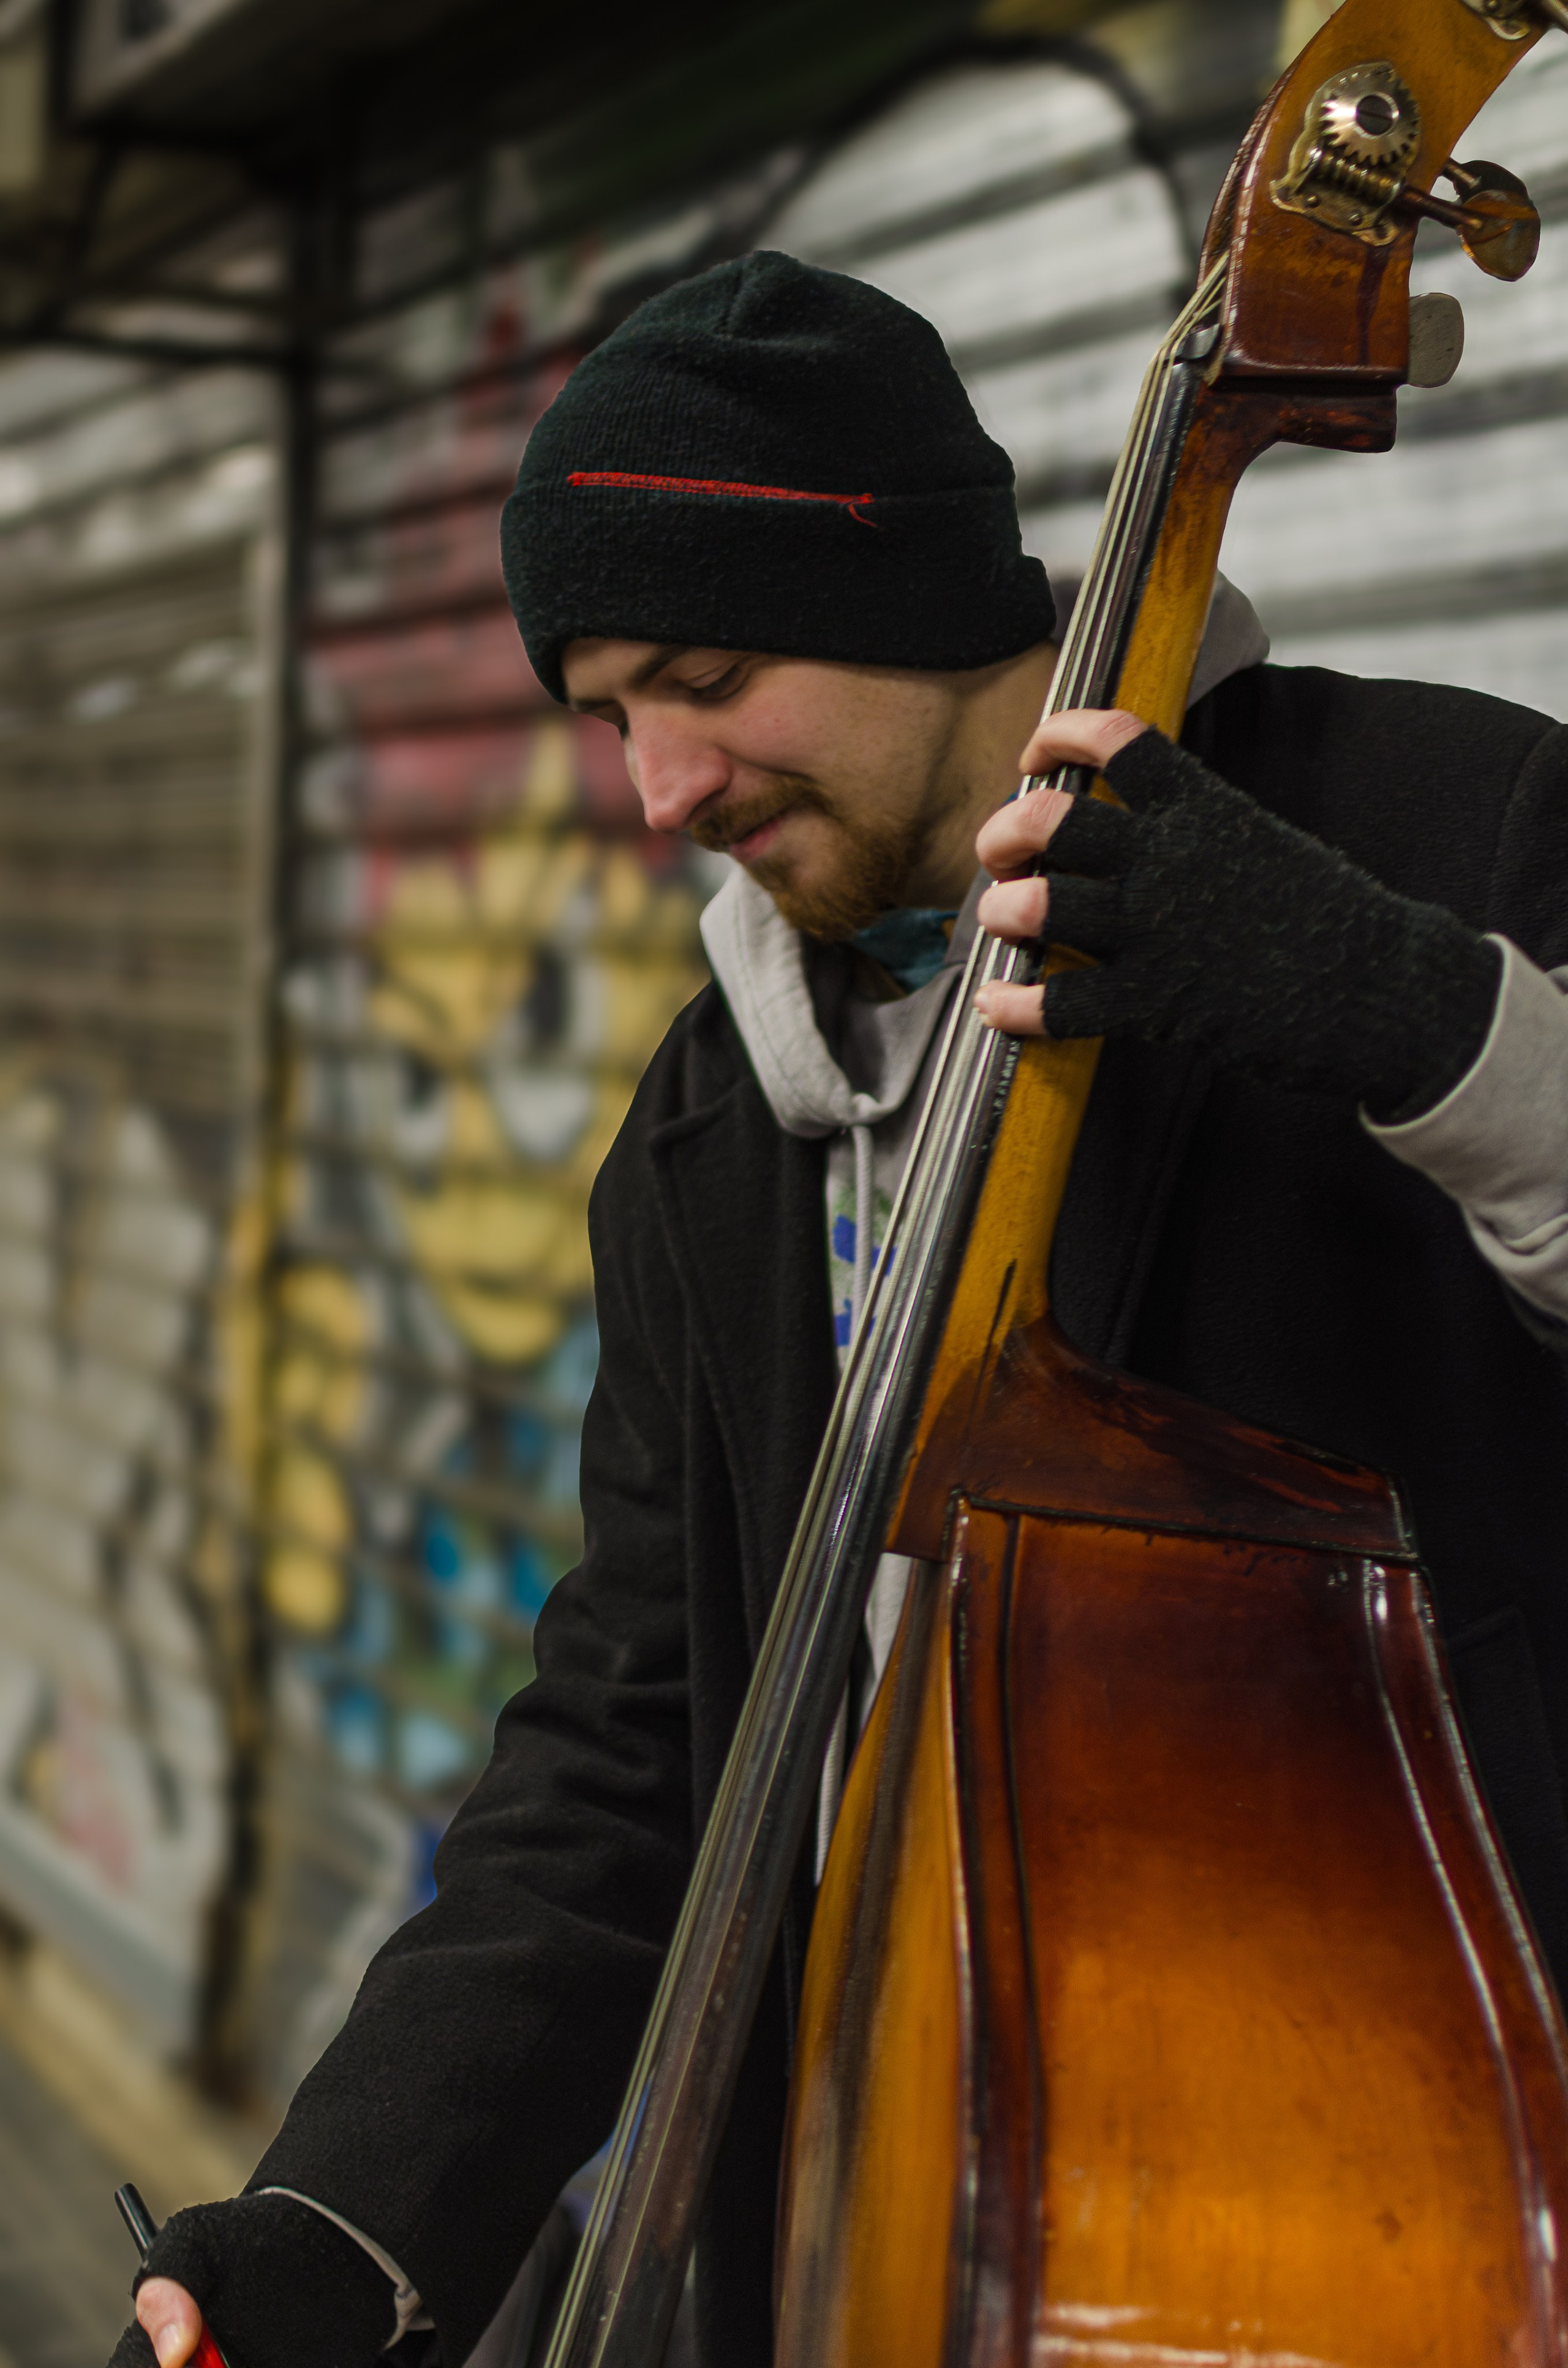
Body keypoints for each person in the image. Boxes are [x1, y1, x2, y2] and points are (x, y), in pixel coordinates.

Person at [115, 251, 1568, 2368]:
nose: (659, 788)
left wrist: (1409, 1007)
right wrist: (353, 2217)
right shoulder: (707, 1120)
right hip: (870, 2209)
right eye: (611, 712)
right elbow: (639, 1736)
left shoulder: (1451, 822)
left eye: (703, 671)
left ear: (915, 597)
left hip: (1404, 2168)